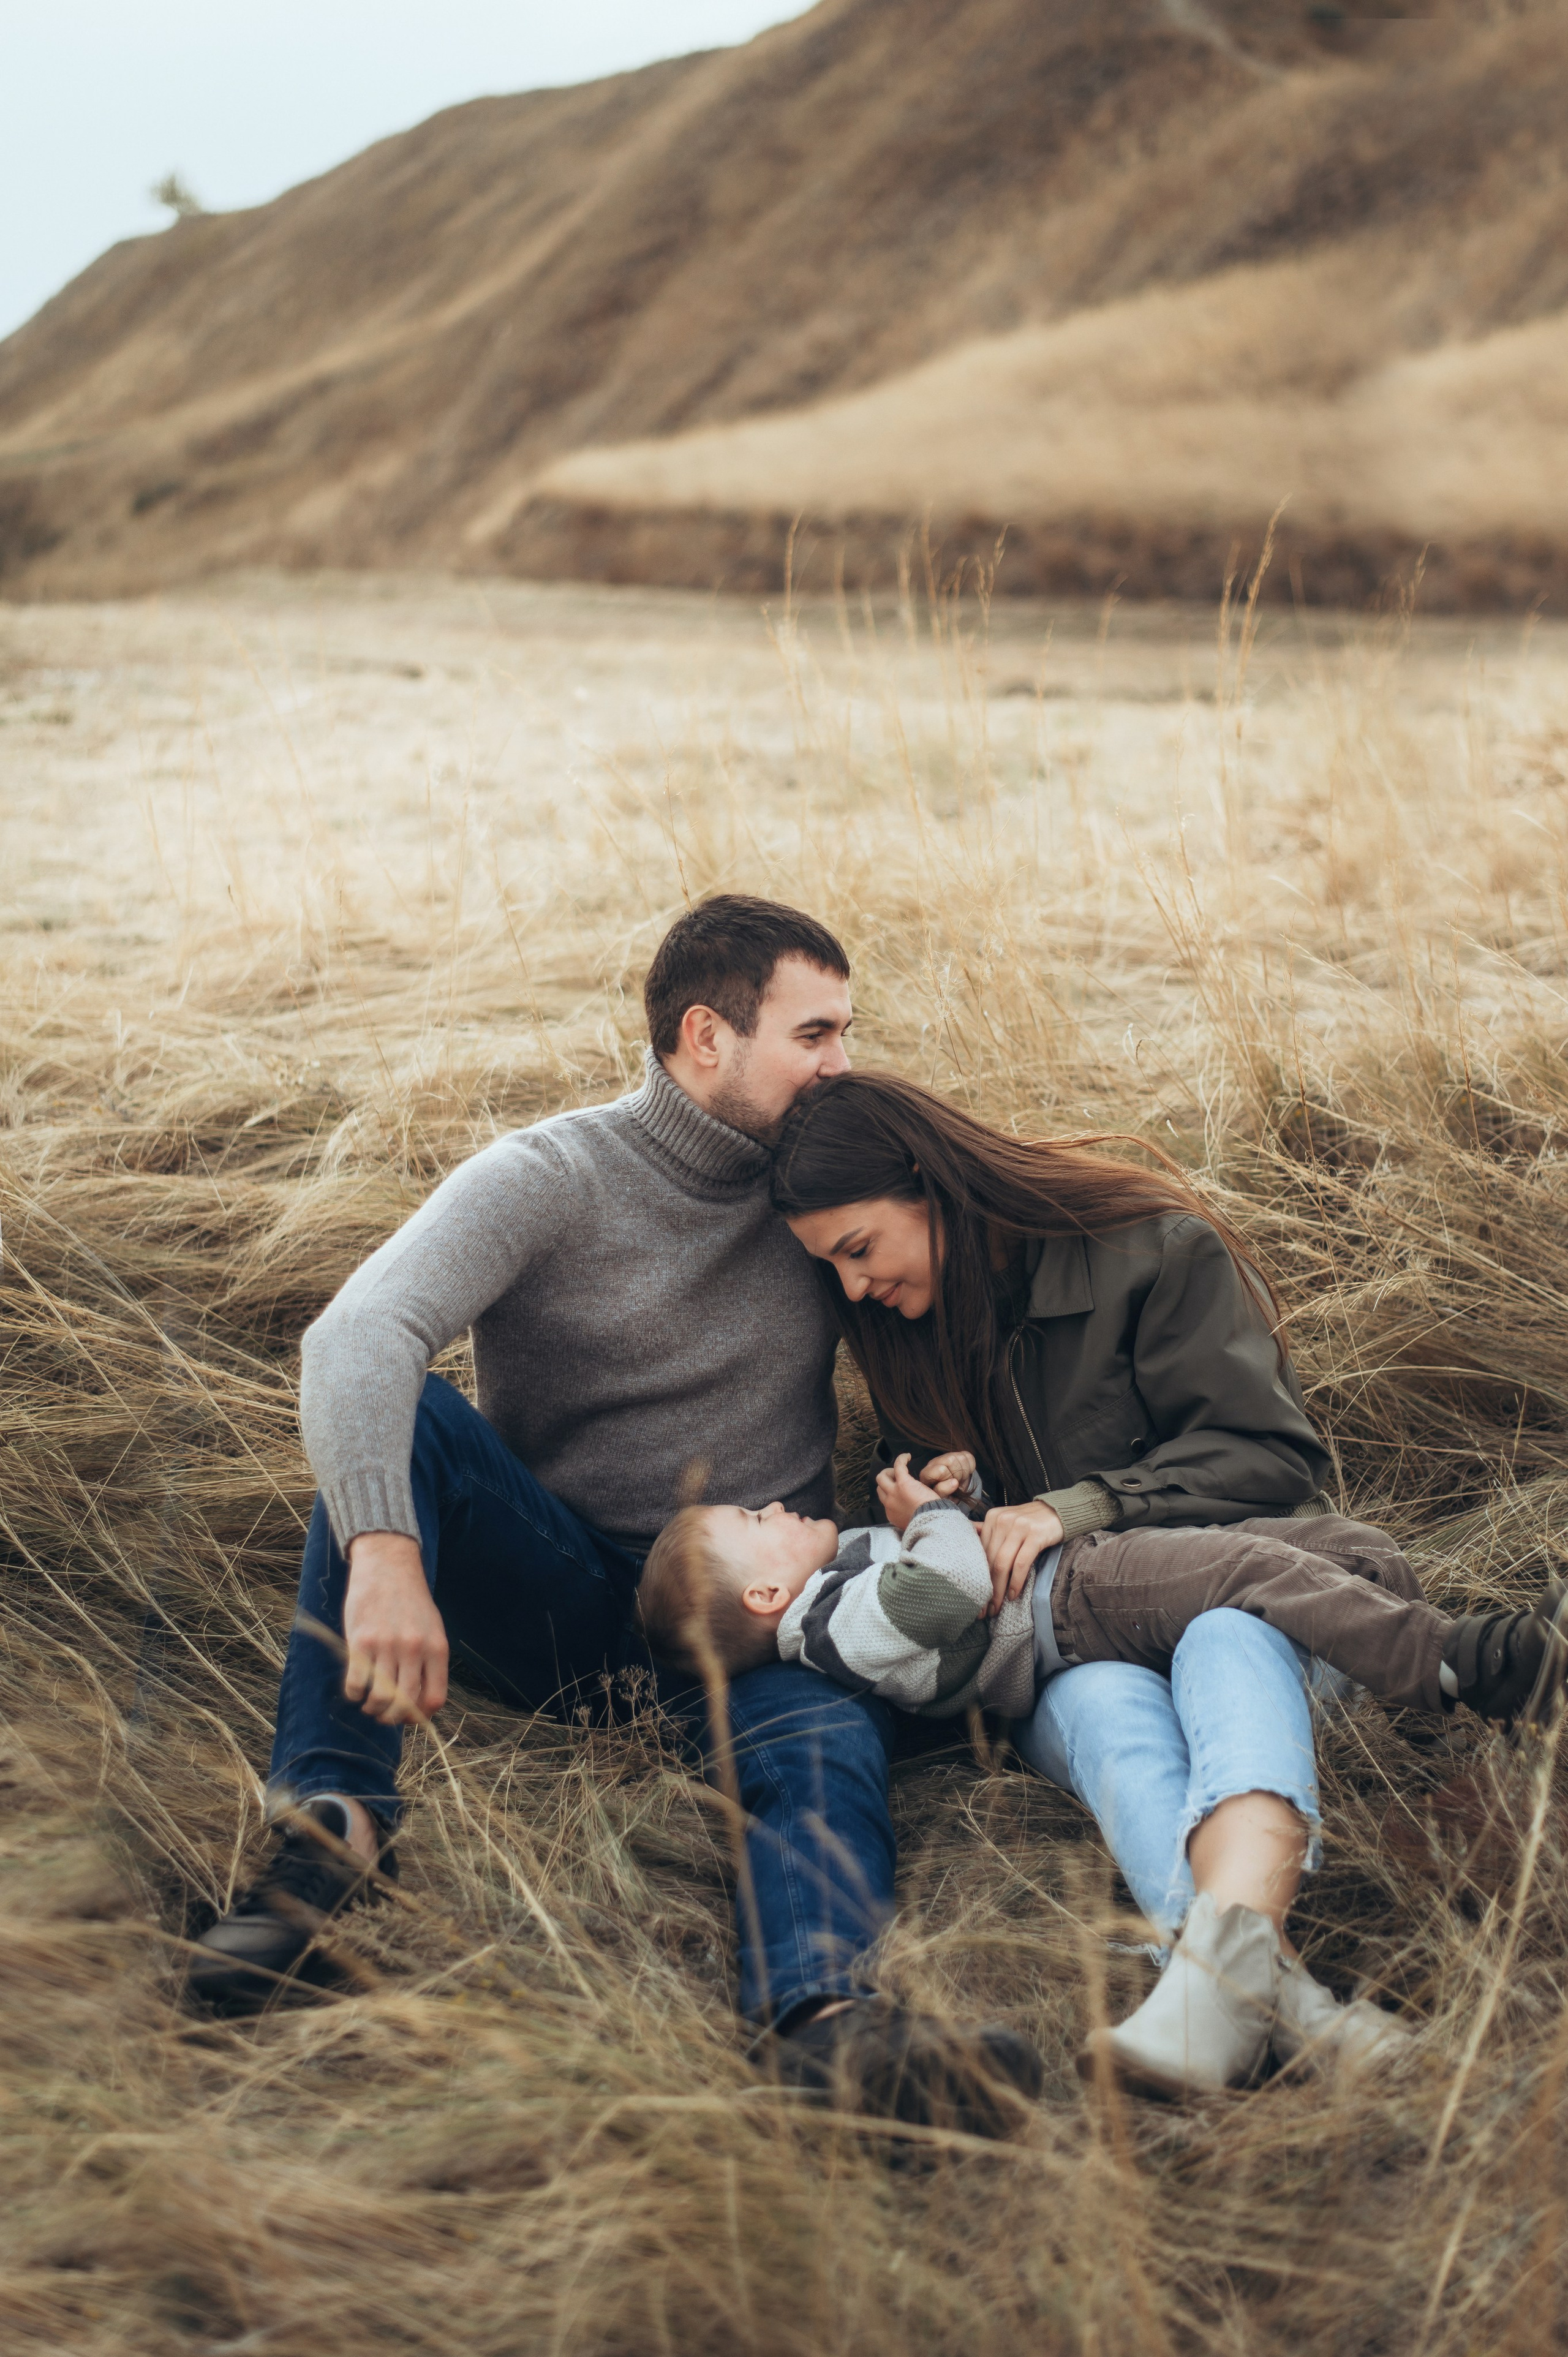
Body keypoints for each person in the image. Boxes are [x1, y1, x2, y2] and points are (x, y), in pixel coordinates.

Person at [186, 894, 1042, 2136]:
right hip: (565, 1588)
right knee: (407, 1414)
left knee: (825, 1754)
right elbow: (357, 1334)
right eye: (813, 1035)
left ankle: (825, 2027)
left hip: (773, 1611)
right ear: (706, 1036)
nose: (841, 1064)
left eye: (845, 1033)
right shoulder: (549, 1177)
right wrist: (383, 1548)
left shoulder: (821, 1190)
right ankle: (331, 1841)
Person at [755, 1066, 1511, 2096]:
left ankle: (1227, 1983)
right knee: (1105, 1706)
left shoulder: (1152, 1249)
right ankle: (1277, 2001)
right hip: (1071, 1651)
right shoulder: (904, 1325)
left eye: (858, 1249)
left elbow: (1269, 1456)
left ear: (928, 1184)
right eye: (831, 1267)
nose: (852, 1288)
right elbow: (962, 1565)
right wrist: (951, 1497)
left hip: (1252, 1602)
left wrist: (1078, 1507)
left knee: (1222, 1634)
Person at [636, 1442, 1562, 1734]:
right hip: (1074, 1609)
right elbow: (953, 1582)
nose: (772, 1506)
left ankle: (1401, 1700)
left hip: (1081, 1577)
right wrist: (932, 1517)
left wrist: (964, 1496)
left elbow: (958, 1553)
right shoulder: (838, 1628)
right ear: (766, 1599)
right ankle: (1460, 1665)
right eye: (753, 1522)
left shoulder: (840, 1578)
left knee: (1339, 1545)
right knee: (1250, 1571)